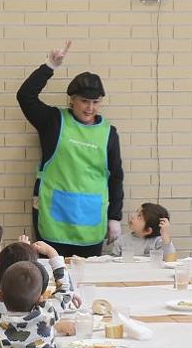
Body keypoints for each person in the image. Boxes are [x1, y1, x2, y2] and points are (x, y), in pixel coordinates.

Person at [17, 41, 124, 258]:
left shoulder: (108, 133)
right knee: (51, 280)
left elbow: (116, 177)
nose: (90, 108)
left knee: (86, 282)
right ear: (72, 100)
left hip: (91, 223)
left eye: (95, 101)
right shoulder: (53, 121)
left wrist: (115, 217)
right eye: (84, 101)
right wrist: (49, 66)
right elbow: (25, 96)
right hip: (53, 219)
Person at [110, 202, 176, 259]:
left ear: (147, 230)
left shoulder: (158, 242)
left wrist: (165, 234)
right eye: (136, 212)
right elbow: (113, 261)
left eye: (139, 216)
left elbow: (170, 260)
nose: (133, 216)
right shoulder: (122, 240)